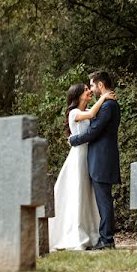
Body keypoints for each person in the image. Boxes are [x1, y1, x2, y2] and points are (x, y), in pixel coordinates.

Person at [49, 82, 116, 251]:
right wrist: (103, 97)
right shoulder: (74, 113)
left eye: (89, 88)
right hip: (79, 156)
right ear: (78, 95)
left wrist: (103, 99)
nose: (89, 91)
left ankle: (92, 231)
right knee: (78, 192)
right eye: (85, 90)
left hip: (91, 155)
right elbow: (94, 113)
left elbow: (94, 115)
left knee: (88, 195)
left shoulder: (87, 111)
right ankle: (75, 232)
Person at [68, 70, 121, 250]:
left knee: (104, 200)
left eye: (91, 85)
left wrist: (73, 140)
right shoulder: (105, 104)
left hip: (101, 159)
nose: (91, 89)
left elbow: (93, 131)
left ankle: (107, 240)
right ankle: (101, 236)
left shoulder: (107, 106)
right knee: (99, 200)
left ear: (100, 85)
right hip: (96, 158)